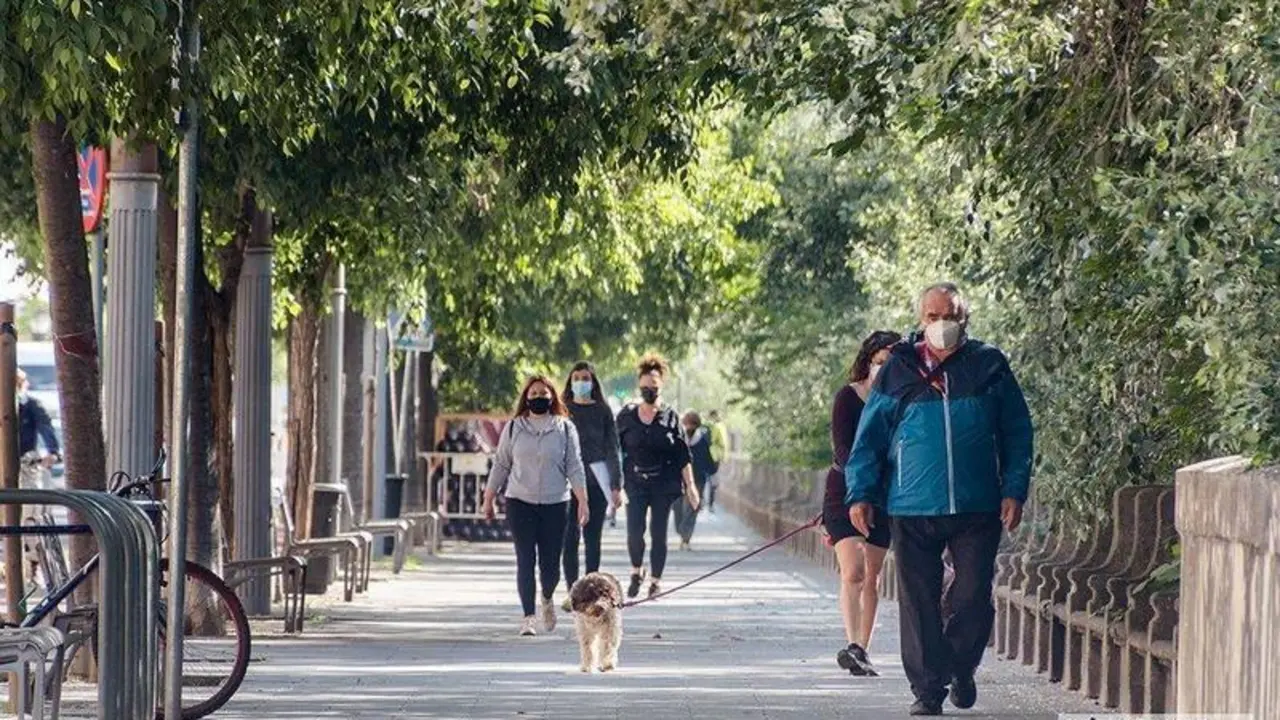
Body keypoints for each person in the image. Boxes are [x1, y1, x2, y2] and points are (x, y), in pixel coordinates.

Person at [846, 282, 1033, 716]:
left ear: (965, 319)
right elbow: (870, 436)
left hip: (977, 503)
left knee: (972, 595)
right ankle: (928, 690)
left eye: (949, 316)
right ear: (920, 319)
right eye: (933, 316)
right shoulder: (899, 367)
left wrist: (1014, 488)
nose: (941, 324)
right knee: (919, 602)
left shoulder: (989, 363)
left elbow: (1017, 430)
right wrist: (861, 493)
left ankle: (961, 667)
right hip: (912, 504)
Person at [483, 375, 590, 636]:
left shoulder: (565, 429)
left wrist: (582, 500)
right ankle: (528, 617)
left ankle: (547, 596)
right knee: (525, 559)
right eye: (533, 394)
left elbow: (574, 466)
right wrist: (489, 497)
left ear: (552, 397)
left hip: (556, 503)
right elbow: (501, 463)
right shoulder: (514, 428)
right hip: (520, 502)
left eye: (543, 393)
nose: (538, 397)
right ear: (526, 398)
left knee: (551, 565)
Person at [822, 330, 901, 677]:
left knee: (872, 575)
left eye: (891, 363)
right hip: (844, 490)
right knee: (853, 570)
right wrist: (860, 484)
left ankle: (863, 649)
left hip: (884, 494)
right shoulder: (848, 397)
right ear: (868, 362)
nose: (883, 368)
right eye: (879, 361)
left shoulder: (902, 401)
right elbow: (842, 448)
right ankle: (852, 642)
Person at [616, 353, 700, 599]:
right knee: (635, 532)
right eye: (644, 387)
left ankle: (655, 581)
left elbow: (683, 454)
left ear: (661, 386)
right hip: (635, 482)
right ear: (638, 386)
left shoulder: (671, 417)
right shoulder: (626, 416)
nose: (649, 391)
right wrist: (614, 483)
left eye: (653, 387)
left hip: (663, 483)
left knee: (658, 533)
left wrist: (691, 486)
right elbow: (613, 450)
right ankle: (636, 570)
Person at [560, 361, 624, 610]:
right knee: (569, 538)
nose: (580, 382)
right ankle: (573, 593)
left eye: (585, 378)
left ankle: (592, 594)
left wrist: (616, 484)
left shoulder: (603, 411)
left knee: (592, 538)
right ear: (570, 382)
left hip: (596, 480)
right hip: (567, 481)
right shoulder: (563, 410)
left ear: (593, 382)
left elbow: (612, 448)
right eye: (576, 378)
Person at [674, 410, 714, 551]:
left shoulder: (701, 439)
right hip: (683, 479)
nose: (690, 427)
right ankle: (683, 533)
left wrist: (711, 470)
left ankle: (685, 536)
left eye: (692, 424)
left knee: (689, 508)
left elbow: (707, 459)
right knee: (681, 508)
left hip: (693, 479)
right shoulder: (679, 438)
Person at [704, 409, 728, 513]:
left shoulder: (707, 426)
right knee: (713, 480)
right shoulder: (720, 427)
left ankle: (701, 501)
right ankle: (710, 504)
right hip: (715, 457)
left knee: (703, 478)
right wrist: (724, 457)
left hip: (705, 455)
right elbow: (723, 443)